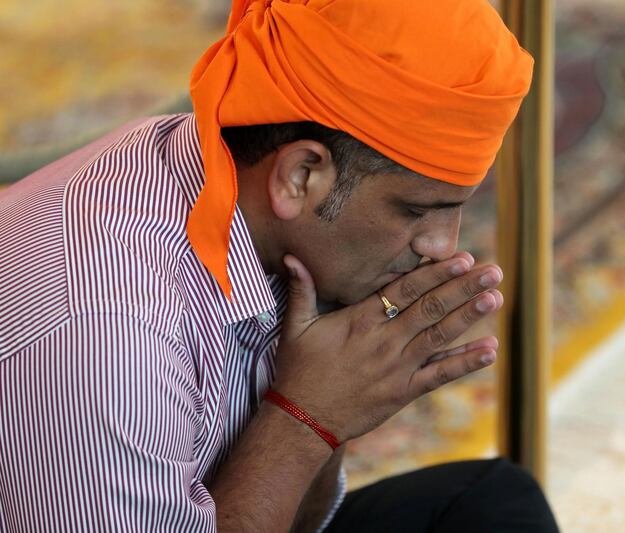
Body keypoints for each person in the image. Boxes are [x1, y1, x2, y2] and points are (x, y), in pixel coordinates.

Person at [0, 0, 558, 531]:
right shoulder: (104, 334)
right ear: (299, 176)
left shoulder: (225, 175)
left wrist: (340, 388)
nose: (442, 247)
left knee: (491, 504)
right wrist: (303, 420)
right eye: (415, 211)